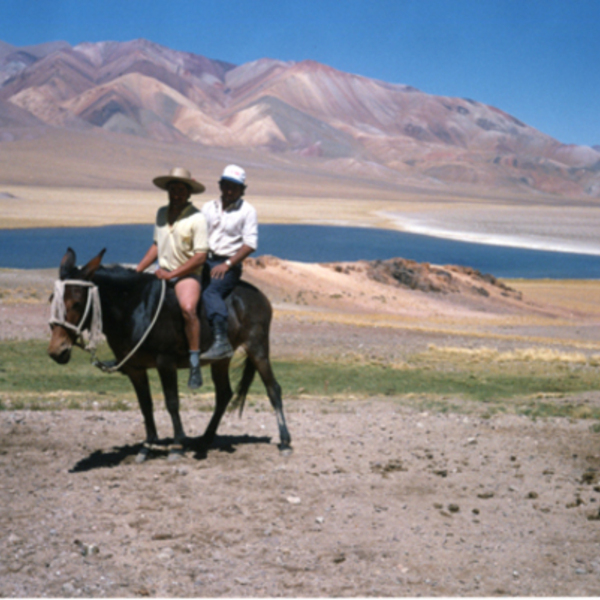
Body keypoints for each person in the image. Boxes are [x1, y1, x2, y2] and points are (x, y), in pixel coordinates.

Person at [136, 167, 208, 389]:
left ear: (188, 193)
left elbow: (200, 257)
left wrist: (172, 274)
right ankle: (132, 353)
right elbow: (157, 245)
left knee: (187, 308)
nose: (176, 194)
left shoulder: (197, 218)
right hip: (162, 272)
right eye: (173, 189)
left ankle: (194, 363)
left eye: (181, 190)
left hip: (186, 275)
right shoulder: (160, 213)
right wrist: (138, 271)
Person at [200, 164, 258, 360]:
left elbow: (250, 244)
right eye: (226, 185)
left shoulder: (247, 211)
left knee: (212, 291)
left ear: (242, 190)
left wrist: (228, 264)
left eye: (235, 187)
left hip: (228, 265)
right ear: (220, 185)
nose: (230, 190)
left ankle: (221, 341)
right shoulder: (208, 207)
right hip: (203, 260)